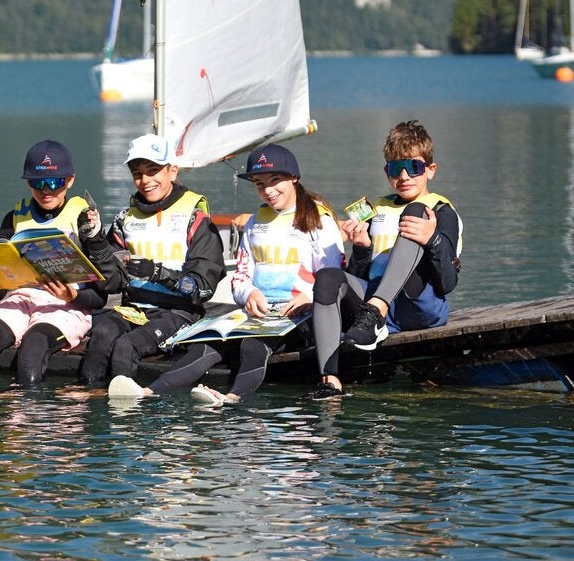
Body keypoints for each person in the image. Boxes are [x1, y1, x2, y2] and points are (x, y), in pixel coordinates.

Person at [106, 144, 345, 405]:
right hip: (261, 312)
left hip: (302, 315)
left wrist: (309, 298)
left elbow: (332, 276)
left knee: (253, 345)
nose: (268, 190)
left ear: (294, 178)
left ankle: (231, 397)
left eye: (275, 181)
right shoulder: (256, 222)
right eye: (259, 183)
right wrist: (249, 294)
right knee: (207, 344)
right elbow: (241, 276)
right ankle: (147, 392)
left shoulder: (320, 220)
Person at [309, 120, 462, 399]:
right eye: (395, 168)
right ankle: (330, 380)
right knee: (328, 278)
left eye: (413, 167)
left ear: (431, 170)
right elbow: (360, 274)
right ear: (386, 171)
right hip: (372, 313)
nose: (403, 175)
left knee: (414, 212)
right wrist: (363, 248)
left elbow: (448, 283)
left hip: (417, 305)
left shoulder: (441, 211)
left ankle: (375, 314)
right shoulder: (372, 208)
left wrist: (433, 240)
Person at [0, 139, 108, 384]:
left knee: (34, 345)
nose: (46, 190)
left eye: (54, 182)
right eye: (37, 183)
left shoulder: (85, 221)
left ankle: (32, 419)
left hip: (68, 305)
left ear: (70, 180)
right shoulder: (14, 218)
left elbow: (102, 294)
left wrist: (72, 296)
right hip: (20, 300)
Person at [78, 133, 226, 390]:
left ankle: (129, 416)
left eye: (153, 170)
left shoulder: (195, 217)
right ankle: (91, 410)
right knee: (101, 336)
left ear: (172, 171)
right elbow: (112, 282)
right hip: (134, 308)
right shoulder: (126, 218)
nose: (145, 181)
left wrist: (159, 273)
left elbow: (203, 288)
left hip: (179, 312)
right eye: (138, 173)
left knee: (126, 346)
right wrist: (95, 241)